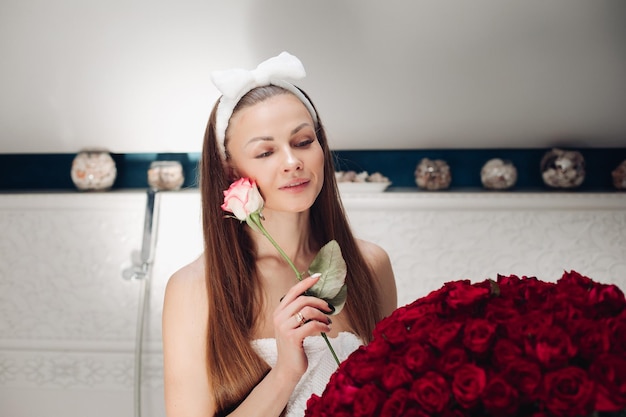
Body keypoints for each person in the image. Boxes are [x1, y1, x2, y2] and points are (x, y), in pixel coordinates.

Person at [162, 51, 397, 417]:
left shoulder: (370, 264)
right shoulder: (195, 288)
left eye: (303, 142)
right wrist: (286, 371)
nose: (292, 162)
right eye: (266, 151)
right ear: (229, 170)